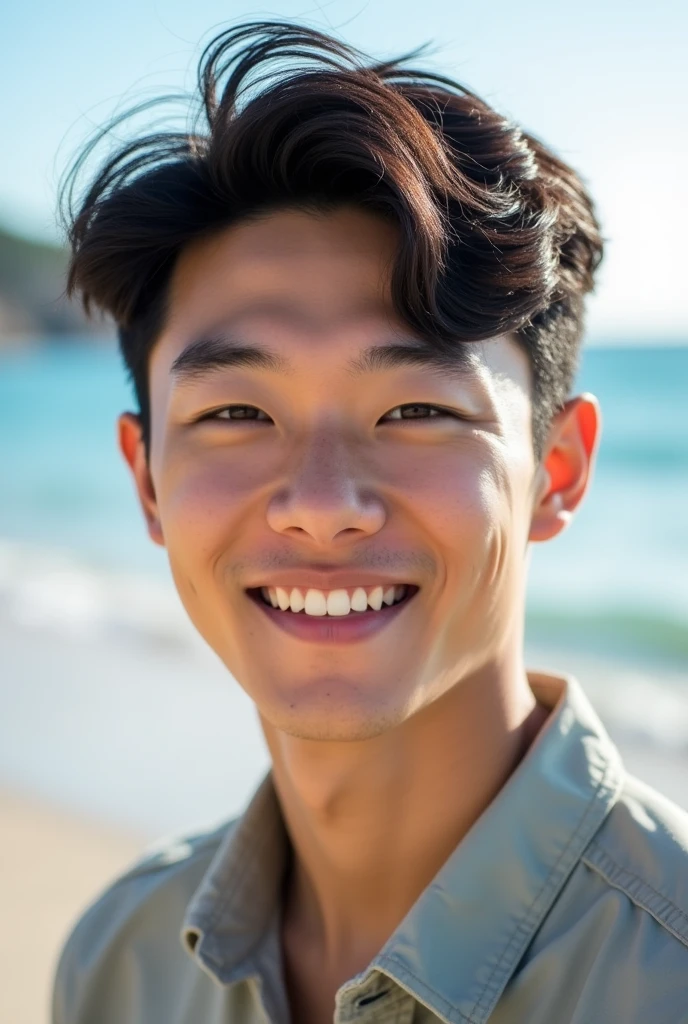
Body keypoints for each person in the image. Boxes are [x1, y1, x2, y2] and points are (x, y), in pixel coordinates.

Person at [52, 20, 688, 1024]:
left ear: (556, 469)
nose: (320, 503)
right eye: (235, 414)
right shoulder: (119, 964)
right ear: (148, 486)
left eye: (417, 411)